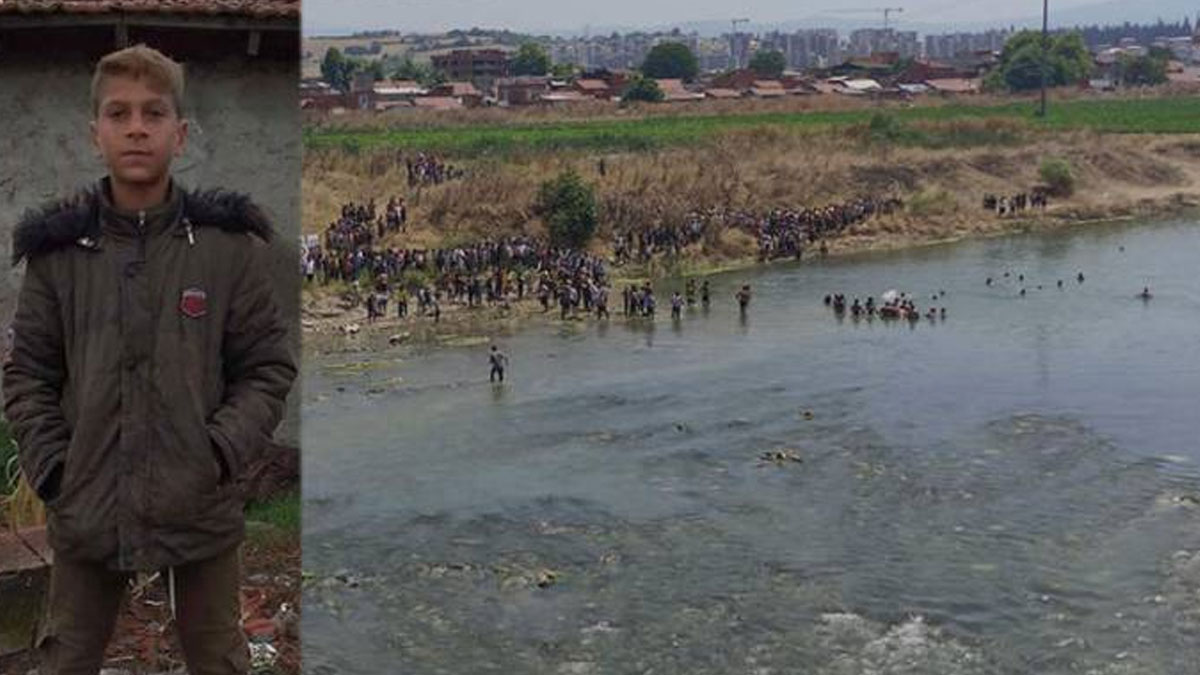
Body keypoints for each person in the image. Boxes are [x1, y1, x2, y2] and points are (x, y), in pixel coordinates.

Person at [3, 45, 296, 675]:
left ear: (180, 133)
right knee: (65, 658)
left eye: (154, 113)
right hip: (86, 503)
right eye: (119, 113)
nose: (137, 127)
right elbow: (28, 373)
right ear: (95, 133)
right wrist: (54, 468)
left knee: (218, 658)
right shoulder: (59, 256)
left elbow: (267, 368)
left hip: (200, 504)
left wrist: (217, 453)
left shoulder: (226, 250)